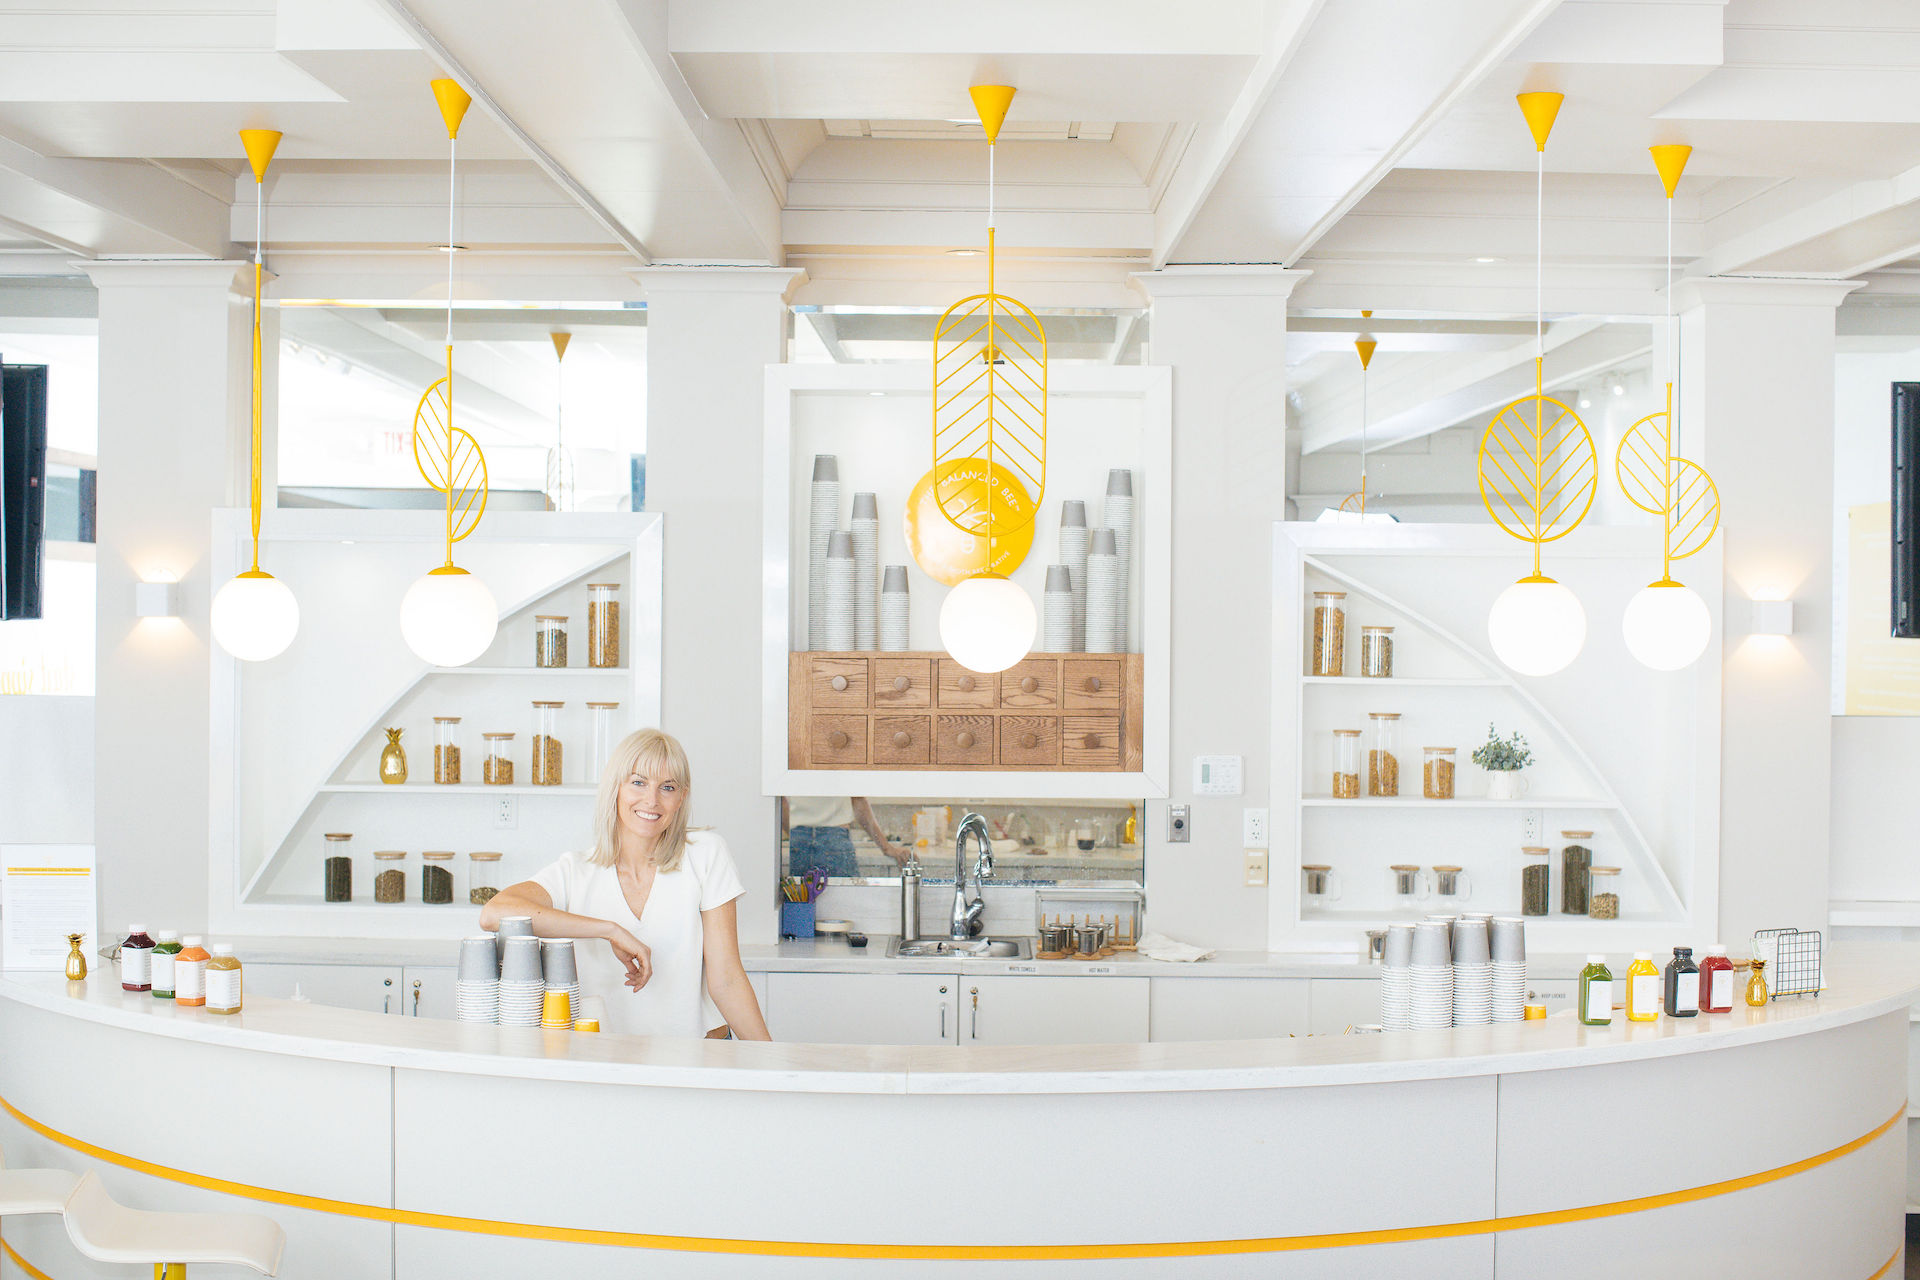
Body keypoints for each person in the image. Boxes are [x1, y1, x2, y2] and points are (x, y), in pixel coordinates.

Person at [480, 728, 770, 1040]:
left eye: (667, 787)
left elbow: (726, 979)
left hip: (700, 1052)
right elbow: (494, 913)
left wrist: (770, 1066)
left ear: (681, 797)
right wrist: (609, 930)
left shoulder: (705, 853)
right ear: (615, 788)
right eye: (638, 782)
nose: (652, 800)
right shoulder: (576, 870)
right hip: (609, 1060)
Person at [782, 796, 907, 879]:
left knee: (801, 908)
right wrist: (886, 847)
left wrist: (795, 835)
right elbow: (858, 801)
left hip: (799, 841)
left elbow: (781, 803)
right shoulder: (842, 757)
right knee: (845, 906)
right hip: (835, 840)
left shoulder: (795, 757)